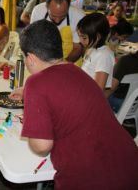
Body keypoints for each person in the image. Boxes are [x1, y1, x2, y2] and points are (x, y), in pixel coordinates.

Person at [10, 19, 138, 190]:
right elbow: (64, 94)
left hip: (95, 180)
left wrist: (30, 116)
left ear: (31, 58)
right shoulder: (78, 72)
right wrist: (27, 93)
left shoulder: (36, 83)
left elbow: (41, 146)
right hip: (129, 165)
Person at [31, 0, 85, 64]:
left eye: (63, 16)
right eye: (53, 16)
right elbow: (34, 41)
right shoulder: (38, 11)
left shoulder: (79, 16)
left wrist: (62, 65)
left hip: (70, 62)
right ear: (46, 6)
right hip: (44, 59)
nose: (57, 21)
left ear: (69, 7)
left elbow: (77, 48)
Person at [77, 13, 115, 90]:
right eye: (79, 36)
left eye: (84, 38)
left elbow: (99, 89)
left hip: (91, 98)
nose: (80, 41)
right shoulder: (92, 49)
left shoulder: (104, 55)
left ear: (98, 37)